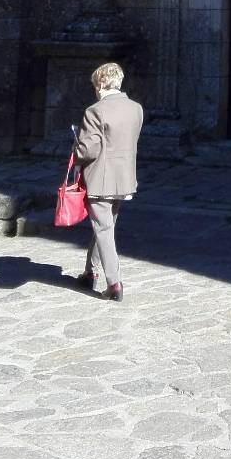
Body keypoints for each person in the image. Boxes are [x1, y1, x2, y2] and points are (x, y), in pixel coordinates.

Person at [73, 61, 143, 302]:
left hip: (101, 179)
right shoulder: (136, 109)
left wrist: (76, 148)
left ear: (101, 83)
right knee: (104, 226)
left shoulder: (95, 111)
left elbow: (88, 150)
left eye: (95, 84)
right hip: (124, 178)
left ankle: (114, 283)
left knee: (103, 229)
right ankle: (89, 273)